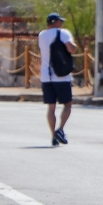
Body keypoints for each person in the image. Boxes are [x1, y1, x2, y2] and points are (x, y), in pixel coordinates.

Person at [38, 13, 77, 146]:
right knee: (68, 105)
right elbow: (71, 49)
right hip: (61, 76)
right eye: (60, 21)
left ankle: (53, 136)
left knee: (51, 107)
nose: (62, 24)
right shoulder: (63, 33)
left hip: (46, 76)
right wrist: (74, 46)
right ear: (56, 22)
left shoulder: (41, 35)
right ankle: (60, 129)